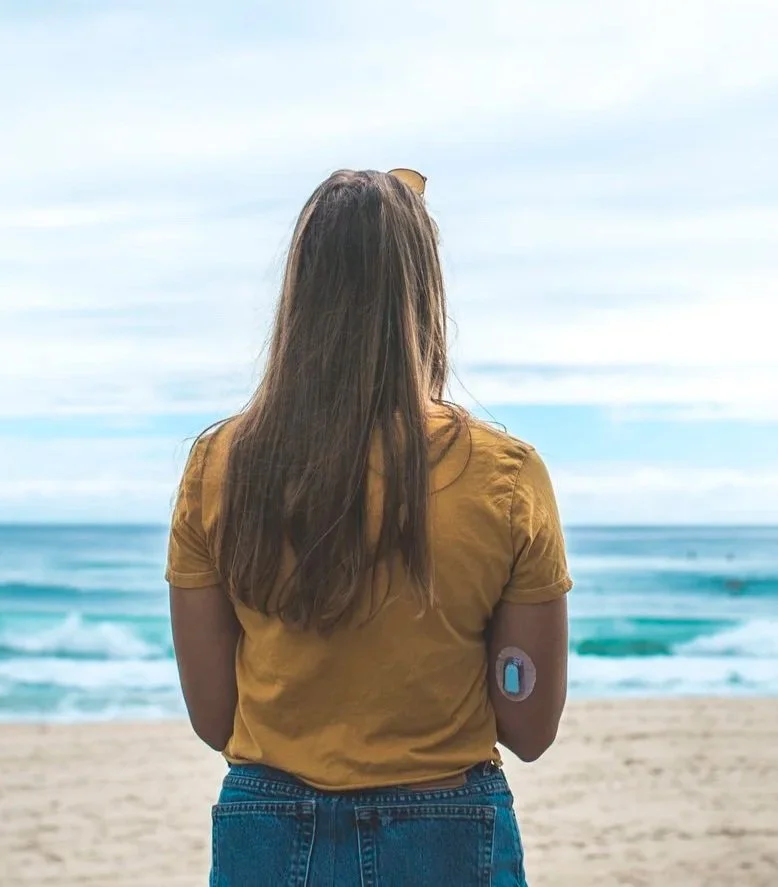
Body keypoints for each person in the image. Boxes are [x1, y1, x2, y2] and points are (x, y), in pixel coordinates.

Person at [166, 168, 572, 886]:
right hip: (443, 827)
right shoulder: (505, 475)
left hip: (267, 829)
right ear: (424, 293)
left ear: (301, 292)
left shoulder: (218, 466)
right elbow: (530, 728)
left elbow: (213, 714)